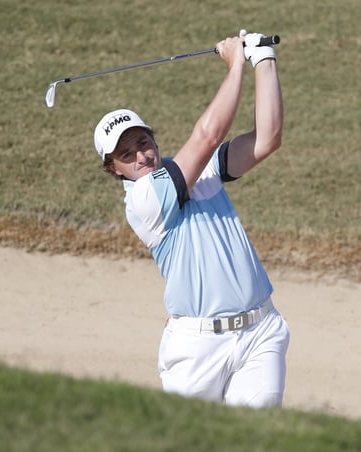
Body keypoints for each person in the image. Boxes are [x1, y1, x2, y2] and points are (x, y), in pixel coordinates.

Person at [91, 31, 289, 408]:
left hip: (260, 333)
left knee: (260, 435)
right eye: (126, 154)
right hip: (198, 348)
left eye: (142, 142)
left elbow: (267, 139)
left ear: (154, 139)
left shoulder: (197, 170)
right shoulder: (145, 201)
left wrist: (263, 59)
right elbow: (208, 134)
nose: (141, 156)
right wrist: (235, 65)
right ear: (114, 169)